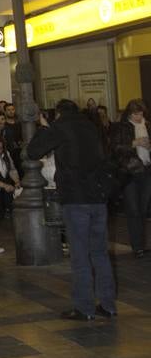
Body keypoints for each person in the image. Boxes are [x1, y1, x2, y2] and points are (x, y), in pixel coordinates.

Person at [28, 99, 117, 320]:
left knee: (79, 255)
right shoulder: (90, 126)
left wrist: (44, 128)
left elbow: (33, 151)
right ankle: (108, 305)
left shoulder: (60, 126)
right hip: (98, 197)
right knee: (99, 253)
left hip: (76, 198)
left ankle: (84, 308)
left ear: (58, 113)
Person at [110, 99, 151, 257]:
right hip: (129, 173)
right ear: (129, 113)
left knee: (143, 208)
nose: (139, 117)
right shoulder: (121, 127)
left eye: (141, 113)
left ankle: (140, 243)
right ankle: (137, 246)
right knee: (133, 209)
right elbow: (114, 148)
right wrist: (134, 143)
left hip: (146, 170)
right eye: (135, 114)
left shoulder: (147, 125)